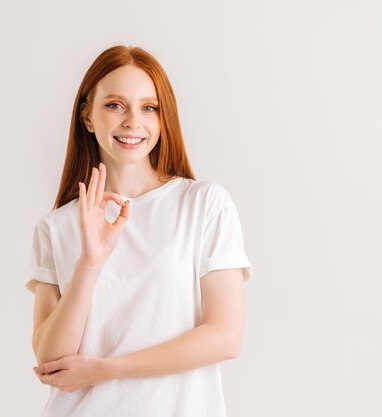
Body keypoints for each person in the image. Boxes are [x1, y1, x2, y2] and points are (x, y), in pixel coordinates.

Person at [26, 44, 253, 417]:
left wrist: (108, 370)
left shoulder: (203, 205)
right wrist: (90, 262)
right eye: (115, 105)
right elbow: (52, 361)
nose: (133, 121)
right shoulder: (57, 227)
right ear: (88, 117)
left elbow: (225, 337)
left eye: (149, 107)